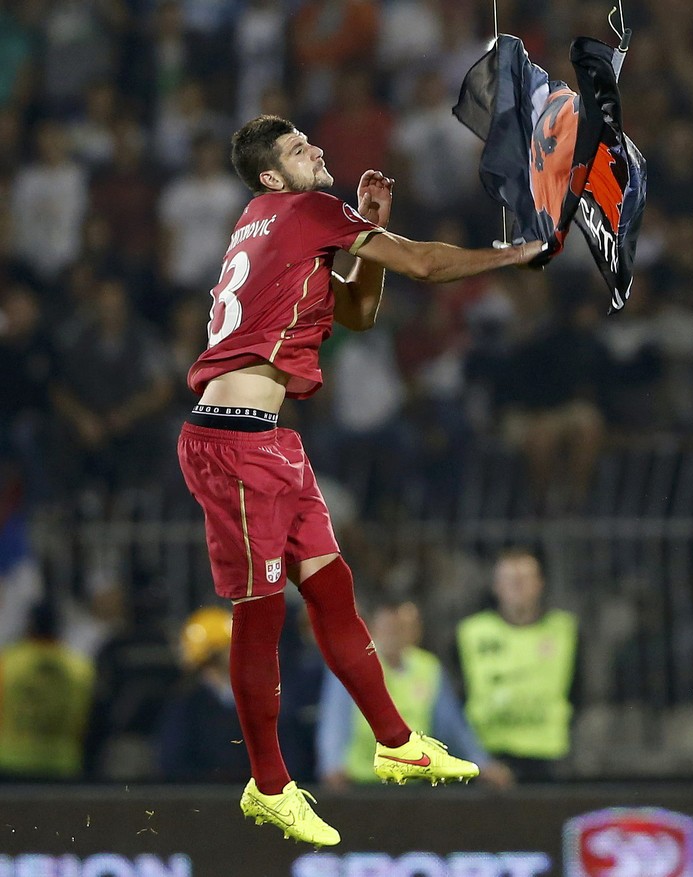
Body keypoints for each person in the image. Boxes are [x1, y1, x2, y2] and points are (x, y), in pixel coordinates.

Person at [176, 114, 547, 846]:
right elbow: (429, 267)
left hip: (271, 438)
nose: (315, 148)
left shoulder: (269, 218)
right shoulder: (307, 208)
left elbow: (359, 310)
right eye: (296, 149)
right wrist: (514, 253)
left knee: (332, 586)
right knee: (260, 613)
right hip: (233, 441)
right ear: (272, 176)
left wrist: (370, 232)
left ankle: (395, 739)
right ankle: (270, 785)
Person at [317, 598, 512, 789]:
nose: (393, 636)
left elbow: (451, 725)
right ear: (373, 630)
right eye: (388, 629)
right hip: (362, 781)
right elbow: (335, 720)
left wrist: (481, 763)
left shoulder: (428, 668)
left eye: (400, 629)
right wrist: (332, 765)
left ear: (413, 632)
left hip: (413, 784)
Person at [455, 550, 578, 783]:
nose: (517, 586)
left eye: (525, 579)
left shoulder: (564, 630)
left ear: (540, 584)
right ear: (496, 586)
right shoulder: (472, 633)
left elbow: (580, 689)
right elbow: (458, 692)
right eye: (510, 580)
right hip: (489, 754)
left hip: (549, 754)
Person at [0, 602, 94, 780]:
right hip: (62, 765)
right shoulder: (80, 667)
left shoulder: (7, 662)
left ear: (29, 625)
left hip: (10, 763)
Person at [157, 607, 249, 783]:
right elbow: (173, 762)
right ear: (213, 653)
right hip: (203, 798)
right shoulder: (186, 703)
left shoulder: (253, 696)